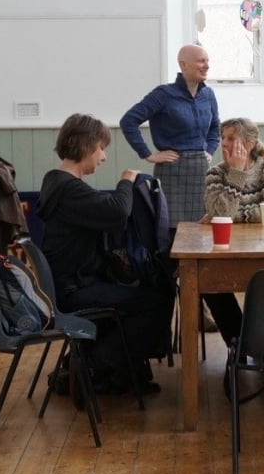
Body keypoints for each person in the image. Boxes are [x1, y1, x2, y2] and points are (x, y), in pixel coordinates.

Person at [37, 113, 173, 395]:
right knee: (156, 299)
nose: (103, 157)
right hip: (73, 291)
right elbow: (116, 213)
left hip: (71, 284)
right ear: (86, 146)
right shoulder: (67, 189)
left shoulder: (59, 184)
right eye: (101, 149)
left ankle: (119, 369)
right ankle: (97, 364)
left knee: (146, 291)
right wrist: (126, 181)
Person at [200, 117, 264, 352]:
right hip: (227, 251)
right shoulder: (215, 174)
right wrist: (237, 174)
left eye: (231, 138)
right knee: (210, 285)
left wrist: (234, 216)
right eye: (223, 138)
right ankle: (238, 344)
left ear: (249, 144)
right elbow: (219, 212)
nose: (224, 144)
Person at [120, 44, 221, 224]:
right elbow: (128, 121)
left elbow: (215, 126)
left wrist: (210, 150)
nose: (206, 66)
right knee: (169, 226)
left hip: (200, 169)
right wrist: (148, 155)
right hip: (171, 170)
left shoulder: (209, 94)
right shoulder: (164, 94)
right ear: (183, 64)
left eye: (207, 61)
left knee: (202, 225)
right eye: (201, 61)